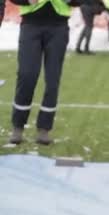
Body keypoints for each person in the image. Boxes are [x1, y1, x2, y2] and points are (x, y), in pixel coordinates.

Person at [7, 0, 82, 145]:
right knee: (27, 75)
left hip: (58, 28)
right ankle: (18, 126)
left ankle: (44, 129)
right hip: (30, 25)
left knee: (52, 80)